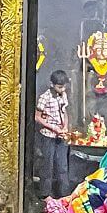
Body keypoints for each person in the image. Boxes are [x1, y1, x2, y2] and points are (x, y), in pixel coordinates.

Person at [35, 70, 70, 198]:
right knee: (47, 165)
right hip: (48, 136)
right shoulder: (45, 97)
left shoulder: (63, 95)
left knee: (62, 166)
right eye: (59, 87)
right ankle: (45, 195)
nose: (62, 89)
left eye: (64, 86)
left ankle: (64, 195)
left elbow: (64, 112)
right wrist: (53, 128)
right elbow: (37, 117)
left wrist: (65, 126)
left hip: (60, 135)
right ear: (52, 84)